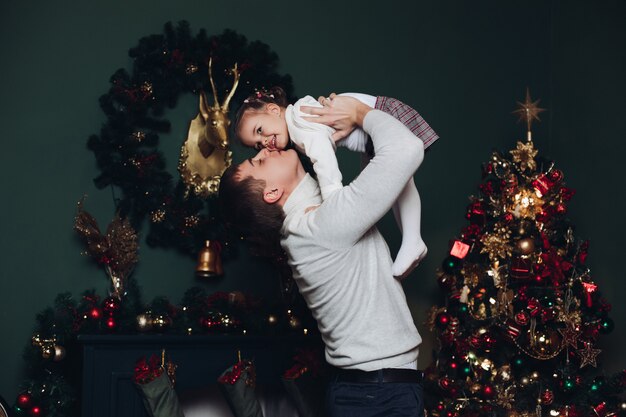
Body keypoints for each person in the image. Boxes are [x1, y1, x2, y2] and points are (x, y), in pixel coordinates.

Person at [219, 94, 426, 416]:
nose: (264, 149)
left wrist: (340, 135)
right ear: (272, 192)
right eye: (258, 161)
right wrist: (359, 112)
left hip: (370, 390)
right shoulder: (320, 225)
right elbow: (407, 148)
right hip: (379, 394)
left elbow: (376, 176)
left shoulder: (309, 224)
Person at [233, 87, 438, 278]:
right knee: (398, 186)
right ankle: (412, 238)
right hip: (372, 128)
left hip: (380, 117)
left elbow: (323, 158)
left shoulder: (298, 121)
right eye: (257, 144)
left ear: (273, 110)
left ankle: (412, 238)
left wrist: (332, 199)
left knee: (401, 183)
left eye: (259, 130)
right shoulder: (296, 127)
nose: (265, 144)